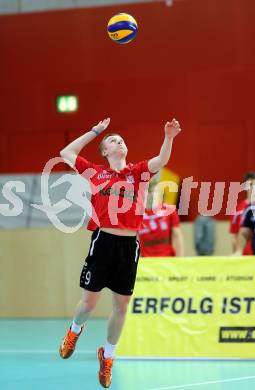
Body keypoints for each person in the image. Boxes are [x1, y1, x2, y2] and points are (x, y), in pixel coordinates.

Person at [58, 117, 182, 388]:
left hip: (129, 246)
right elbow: (66, 154)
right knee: (89, 304)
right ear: (105, 151)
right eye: (113, 141)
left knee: (121, 306)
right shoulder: (95, 173)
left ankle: (108, 355)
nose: (120, 142)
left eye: (121, 140)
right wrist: (95, 131)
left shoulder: (138, 172)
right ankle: (74, 331)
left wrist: (169, 137)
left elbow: (160, 160)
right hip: (103, 242)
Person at [138, 177, 184, 257]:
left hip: (167, 260)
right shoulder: (138, 214)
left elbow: (177, 235)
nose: (151, 194)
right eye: (148, 191)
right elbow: (135, 239)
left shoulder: (169, 210)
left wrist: (180, 259)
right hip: (147, 262)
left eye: (155, 191)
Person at [230, 171, 255, 255]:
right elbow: (235, 236)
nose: (253, 187)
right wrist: (235, 253)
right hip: (244, 255)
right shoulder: (238, 209)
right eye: (250, 184)